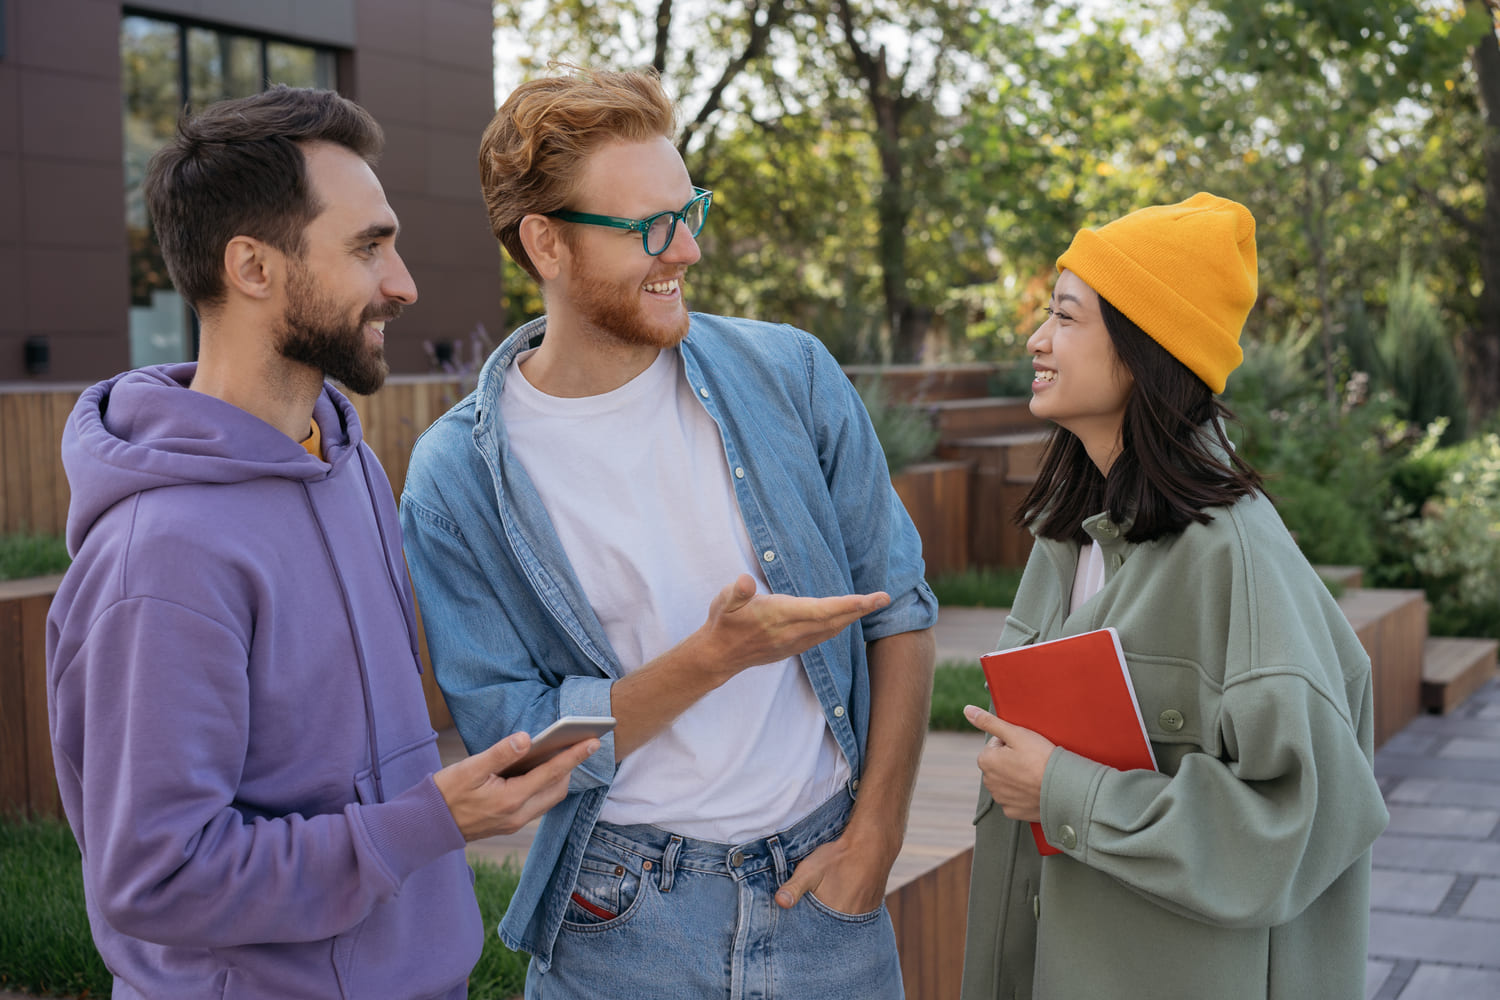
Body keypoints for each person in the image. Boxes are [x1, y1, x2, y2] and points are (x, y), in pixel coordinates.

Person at [45, 86, 598, 1000]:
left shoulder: (344, 462)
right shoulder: (163, 556)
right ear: (254, 268)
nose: (404, 283)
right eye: (368, 247)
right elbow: (158, 877)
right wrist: (429, 820)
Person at [399, 67, 939, 999]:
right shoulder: (459, 479)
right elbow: (517, 744)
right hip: (620, 928)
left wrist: (876, 838)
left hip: (825, 906)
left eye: (690, 210)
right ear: (546, 244)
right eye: (651, 227)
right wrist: (713, 658)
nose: (686, 248)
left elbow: (902, 605)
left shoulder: (790, 375)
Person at [959, 193, 1389, 1000]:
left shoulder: (1234, 555)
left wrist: (1065, 791)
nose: (1036, 339)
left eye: (1066, 318)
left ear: (1143, 349)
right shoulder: (1067, 539)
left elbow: (1306, 823)